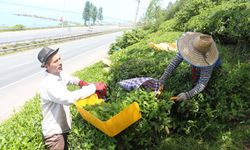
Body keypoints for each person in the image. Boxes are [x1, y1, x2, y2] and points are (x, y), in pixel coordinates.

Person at [37, 47, 106, 150]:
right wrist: (93, 87)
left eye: (60, 59)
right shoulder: (48, 83)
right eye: (56, 61)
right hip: (54, 135)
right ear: (46, 66)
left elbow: (70, 79)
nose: (60, 62)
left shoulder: (58, 74)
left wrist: (81, 83)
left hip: (62, 129)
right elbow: (68, 98)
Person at [159, 32, 220, 102]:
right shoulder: (186, 48)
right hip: (199, 63)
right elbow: (174, 63)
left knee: (204, 74)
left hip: (213, 65)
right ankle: (196, 71)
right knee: (195, 70)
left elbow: (202, 83)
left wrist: (188, 95)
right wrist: (162, 79)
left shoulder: (208, 62)